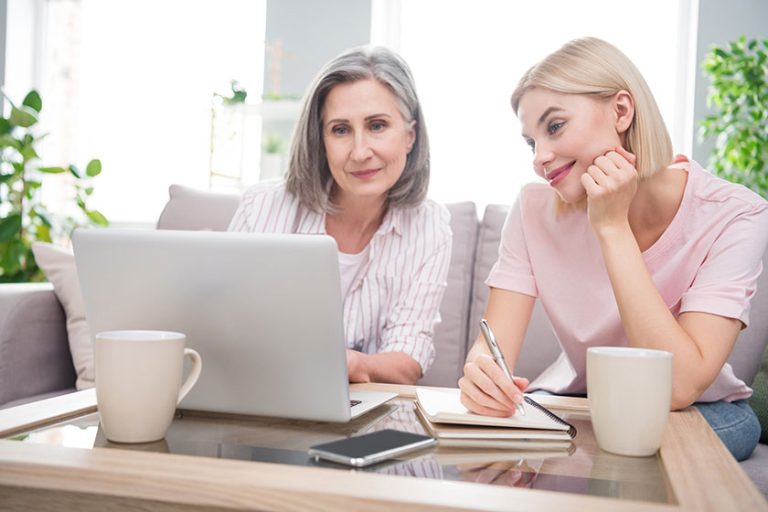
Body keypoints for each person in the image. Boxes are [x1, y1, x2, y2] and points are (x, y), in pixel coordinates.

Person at [458, 37, 768, 461]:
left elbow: (678, 386)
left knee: (640, 445)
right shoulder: (533, 209)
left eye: (554, 127)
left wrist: (612, 227)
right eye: (531, 143)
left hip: (696, 408)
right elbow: (492, 345)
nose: (539, 158)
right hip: (580, 399)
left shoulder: (736, 214)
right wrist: (482, 374)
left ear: (621, 111)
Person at [228, 46, 451, 385]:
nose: (360, 152)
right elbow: (224, 329)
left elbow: (408, 361)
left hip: (366, 414)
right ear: (321, 140)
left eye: (377, 126)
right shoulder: (260, 209)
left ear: (410, 136)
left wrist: (352, 365)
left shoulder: (430, 227)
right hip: (263, 396)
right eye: (341, 130)